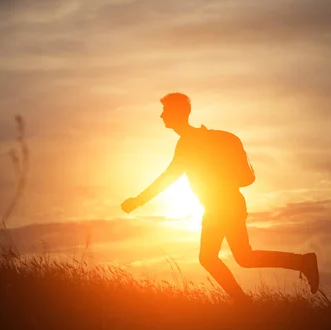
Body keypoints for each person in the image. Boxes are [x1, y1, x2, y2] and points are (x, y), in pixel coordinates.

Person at [121, 93, 319, 302]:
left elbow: (168, 178)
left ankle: (247, 299)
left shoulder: (189, 143)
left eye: (166, 111)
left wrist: (138, 201)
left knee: (214, 257)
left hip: (222, 206)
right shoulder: (196, 141)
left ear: (178, 113)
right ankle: (297, 265)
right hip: (223, 205)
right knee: (241, 257)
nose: (162, 116)